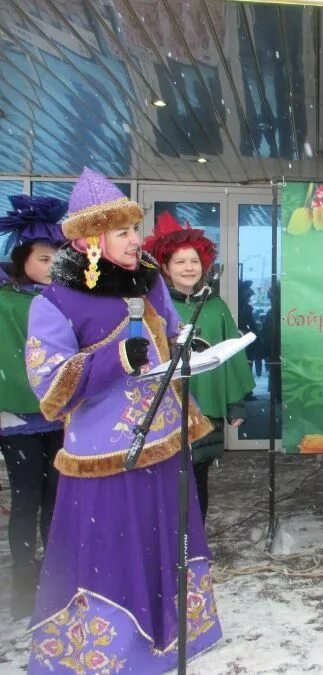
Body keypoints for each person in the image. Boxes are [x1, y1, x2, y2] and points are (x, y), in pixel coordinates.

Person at [24, 168, 221, 671]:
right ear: (91, 241)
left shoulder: (150, 282)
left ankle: (175, 636)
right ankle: (115, 652)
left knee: (164, 541)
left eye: (135, 229)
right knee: (111, 554)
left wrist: (185, 345)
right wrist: (118, 359)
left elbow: (169, 332)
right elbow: (49, 387)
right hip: (105, 457)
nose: (137, 240)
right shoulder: (56, 301)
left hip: (164, 439)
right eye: (123, 232)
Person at [144, 211, 255, 522]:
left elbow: (232, 358)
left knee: (198, 478)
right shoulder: (155, 308)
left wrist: (236, 404)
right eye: (180, 262)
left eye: (193, 261)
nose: (188, 268)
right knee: (166, 479)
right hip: (167, 407)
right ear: (165, 267)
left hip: (205, 409)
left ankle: (194, 545)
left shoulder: (216, 307)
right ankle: (169, 544)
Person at [0, 195, 67, 618]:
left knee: (58, 498)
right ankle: (24, 581)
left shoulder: (65, 300)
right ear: (23, 258)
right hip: (17, 417)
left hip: (60, 413)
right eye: (44, 258)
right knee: (26, 496)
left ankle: (56, 577)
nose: (51, 267)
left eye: (57, 260)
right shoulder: (5, 301)